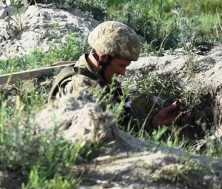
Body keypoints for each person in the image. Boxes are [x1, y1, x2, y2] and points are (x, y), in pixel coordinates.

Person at [48, 21, 183, 131]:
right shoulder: (79, 88)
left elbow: (121, 132)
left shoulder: (99, 80)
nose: (123, 73)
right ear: (103, 57)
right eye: (121, 65)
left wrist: (154, 124)